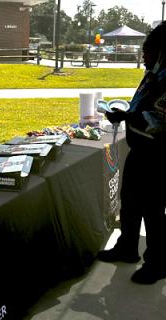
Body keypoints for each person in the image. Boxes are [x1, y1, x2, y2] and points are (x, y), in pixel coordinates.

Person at [97, 22, 166, 284]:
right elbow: (140, 105)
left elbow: (158, 121)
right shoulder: (153, 74)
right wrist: (124, 113)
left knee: (154, 211)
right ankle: (127, 247)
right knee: (131, 201)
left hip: (159, 157)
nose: (143, 58)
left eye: (148, 52)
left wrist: (127, 116)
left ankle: (158, 263)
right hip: (140, 151)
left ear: (162, 51)